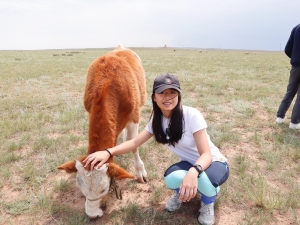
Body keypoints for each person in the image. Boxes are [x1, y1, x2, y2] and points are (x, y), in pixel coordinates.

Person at [83, 73, 229, 225]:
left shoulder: (191, 115)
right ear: (154, 97)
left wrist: (193, 172)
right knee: (171, 179)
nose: (168, 97)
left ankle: (208, 201)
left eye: (173, 93)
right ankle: (183, 192)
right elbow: (134, 143)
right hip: (190, 163)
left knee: (208, 182)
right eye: (162, 93)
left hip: (214, 163)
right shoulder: (157, 121)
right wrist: (108, 152)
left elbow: (206, 155)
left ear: (178, 95)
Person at [276, 24, 300, 129]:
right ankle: (294, 123)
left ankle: (280, 117)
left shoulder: (296, 28)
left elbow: (287, 49)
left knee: (290, 91)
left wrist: (295, 58)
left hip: (295, 67)